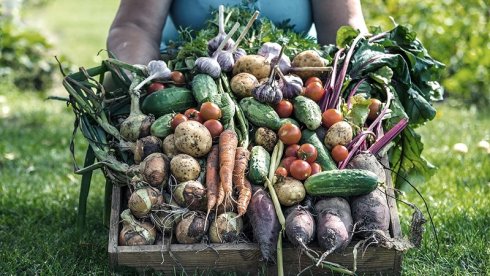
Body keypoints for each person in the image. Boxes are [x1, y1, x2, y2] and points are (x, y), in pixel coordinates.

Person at [107, 0, 367, 66]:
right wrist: (142, 79)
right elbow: (134, 27)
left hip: (290, 80)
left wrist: (361, 74)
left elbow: (344, 29)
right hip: (188, 78)